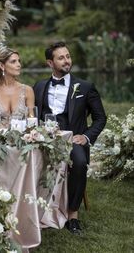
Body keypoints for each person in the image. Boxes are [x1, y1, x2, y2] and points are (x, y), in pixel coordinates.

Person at [33, 41, 106, 234]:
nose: (67, 61)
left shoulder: (85, 86)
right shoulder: (39, 87)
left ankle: (73, 215)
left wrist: (86, 136)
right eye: (61, 58)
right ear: (50, 63)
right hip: (44, 139)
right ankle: (31, 208)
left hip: (72, 140)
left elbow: (100, 118)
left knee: (79, 162)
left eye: (68, 56)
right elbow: (33, 116)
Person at [0, 47, 35, 117]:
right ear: (2, 65)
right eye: (13, 62)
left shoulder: (28, 90)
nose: (19, 65)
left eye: (19, 61)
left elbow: (32, 120)